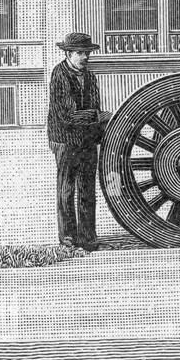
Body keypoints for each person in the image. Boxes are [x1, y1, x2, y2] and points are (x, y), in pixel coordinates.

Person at [47, 32, 111, 251]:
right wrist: (97, 116)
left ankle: (88, 239)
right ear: (68, 53)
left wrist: (99, 122)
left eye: (87, 53)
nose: (85, 57)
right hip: (65, 140)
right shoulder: (59, 74)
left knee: (87, 190)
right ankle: (68, 240)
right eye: (80, 53)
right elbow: (68, 115)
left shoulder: (90, 77)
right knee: (66, 190)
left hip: (86, 140)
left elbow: (94, 110)